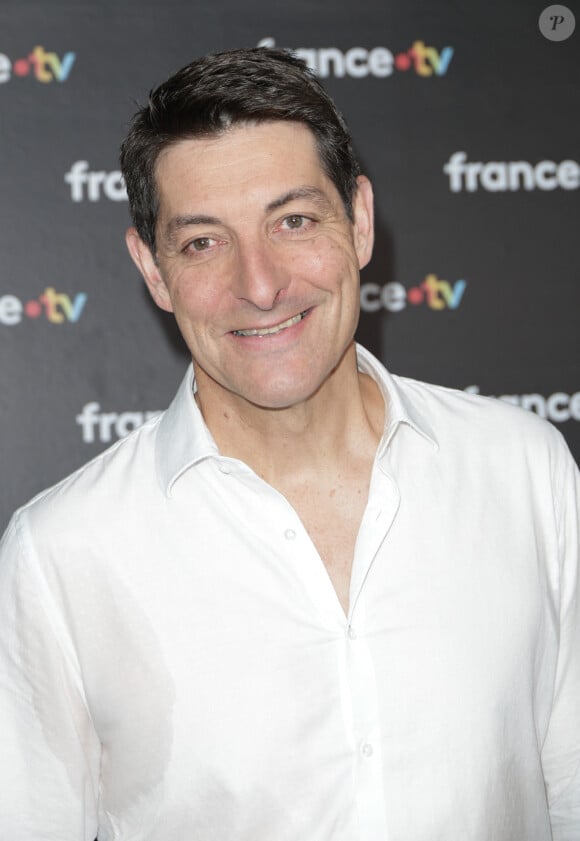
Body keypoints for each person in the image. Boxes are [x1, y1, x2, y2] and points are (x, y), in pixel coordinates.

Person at [0, 46, 578, 841]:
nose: (261, 283)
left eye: (294, 221)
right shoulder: (59, 553)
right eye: (203, 241)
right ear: (154, 271)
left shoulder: (525, 471)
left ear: (361, 221)